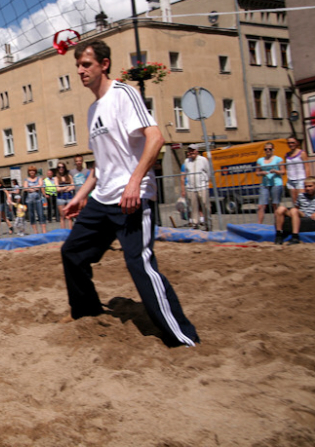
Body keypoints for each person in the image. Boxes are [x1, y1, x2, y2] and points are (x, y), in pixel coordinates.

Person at [61, 40, 199, 348]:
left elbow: (156, 137)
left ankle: (182, 337)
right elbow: (100, 164)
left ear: (104, 64)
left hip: (131, 199)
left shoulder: (124, 94)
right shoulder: (92, 109)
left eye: (87, 65)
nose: (81, 71)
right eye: (78, 66)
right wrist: (81, 195)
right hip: (102, 199)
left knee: (139, 265)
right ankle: (86, 311)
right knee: (72, 252)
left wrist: (135, 181)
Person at [274, 176, 315, 245]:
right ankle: (279, 235)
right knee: (280, 209)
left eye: (310, 186)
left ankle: (295, 237)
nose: (307, 188)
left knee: (294, 210)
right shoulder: (301, 195)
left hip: (308, 215)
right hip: (301, 213)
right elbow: (297, 206)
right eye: (305, 186)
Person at [181, 144, 212, 230]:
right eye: (189, 151)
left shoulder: (203, 160)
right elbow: (186, 173)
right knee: (193, 207)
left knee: (205, 205)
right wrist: (186, 186)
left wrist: (205, 182)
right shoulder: (187, 161)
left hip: (202, 187)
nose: (191, 152)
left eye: (193, 150)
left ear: (197, 151)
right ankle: (195, 223)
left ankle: (208, 223)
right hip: (191, 188)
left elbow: (208, 171)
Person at [255, 143, 285, 224]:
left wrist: (275, 171)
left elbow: (283, 171)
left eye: (270, 149)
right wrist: (262, 172)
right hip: (265, 184)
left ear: (273, 150)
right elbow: (257, 172)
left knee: (275, 205)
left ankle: (277, 224)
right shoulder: (260, 160)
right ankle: (259, 224)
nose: (268, 150)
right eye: (266, 149)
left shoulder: (278, 159)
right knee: (261, 205)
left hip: (276, 183)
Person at [23, 166, 47, 234]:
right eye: (30, 171)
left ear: (35, 171)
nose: (32, 172)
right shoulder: (26, 179)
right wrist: (33, 188)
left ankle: (44, 231)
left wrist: (30, 187)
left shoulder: (39, 178)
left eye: (33, 170)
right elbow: (25, 188)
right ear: (28, 172)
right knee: (32, 215)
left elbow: (40, 185)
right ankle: (35, 231)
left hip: (38, 199)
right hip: (29, 200)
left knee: (41, 214)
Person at [285, 137, 306, 205]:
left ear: (297, 143)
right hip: (291, 180)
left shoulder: (302, 153)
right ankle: (296, 215)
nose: (291, 144)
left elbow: (307, 166)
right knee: (294, 201)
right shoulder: (287, 154)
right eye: (289, 143)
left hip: (300, 179)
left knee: (302, 200)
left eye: (292, 142)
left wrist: (307, 179)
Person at [54, 162, 75, 229]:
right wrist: (66, 187)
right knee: (62, 216)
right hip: (60, 198)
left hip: (69, 197)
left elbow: (73, 186)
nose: (61, 168)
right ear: (57, 169)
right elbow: (57, 189)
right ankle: (63, 232)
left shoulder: (69, 176)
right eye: (59, 167)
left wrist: (63, 188)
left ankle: (70, 231)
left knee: (69, 216)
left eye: (62, 167)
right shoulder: (56, 178)